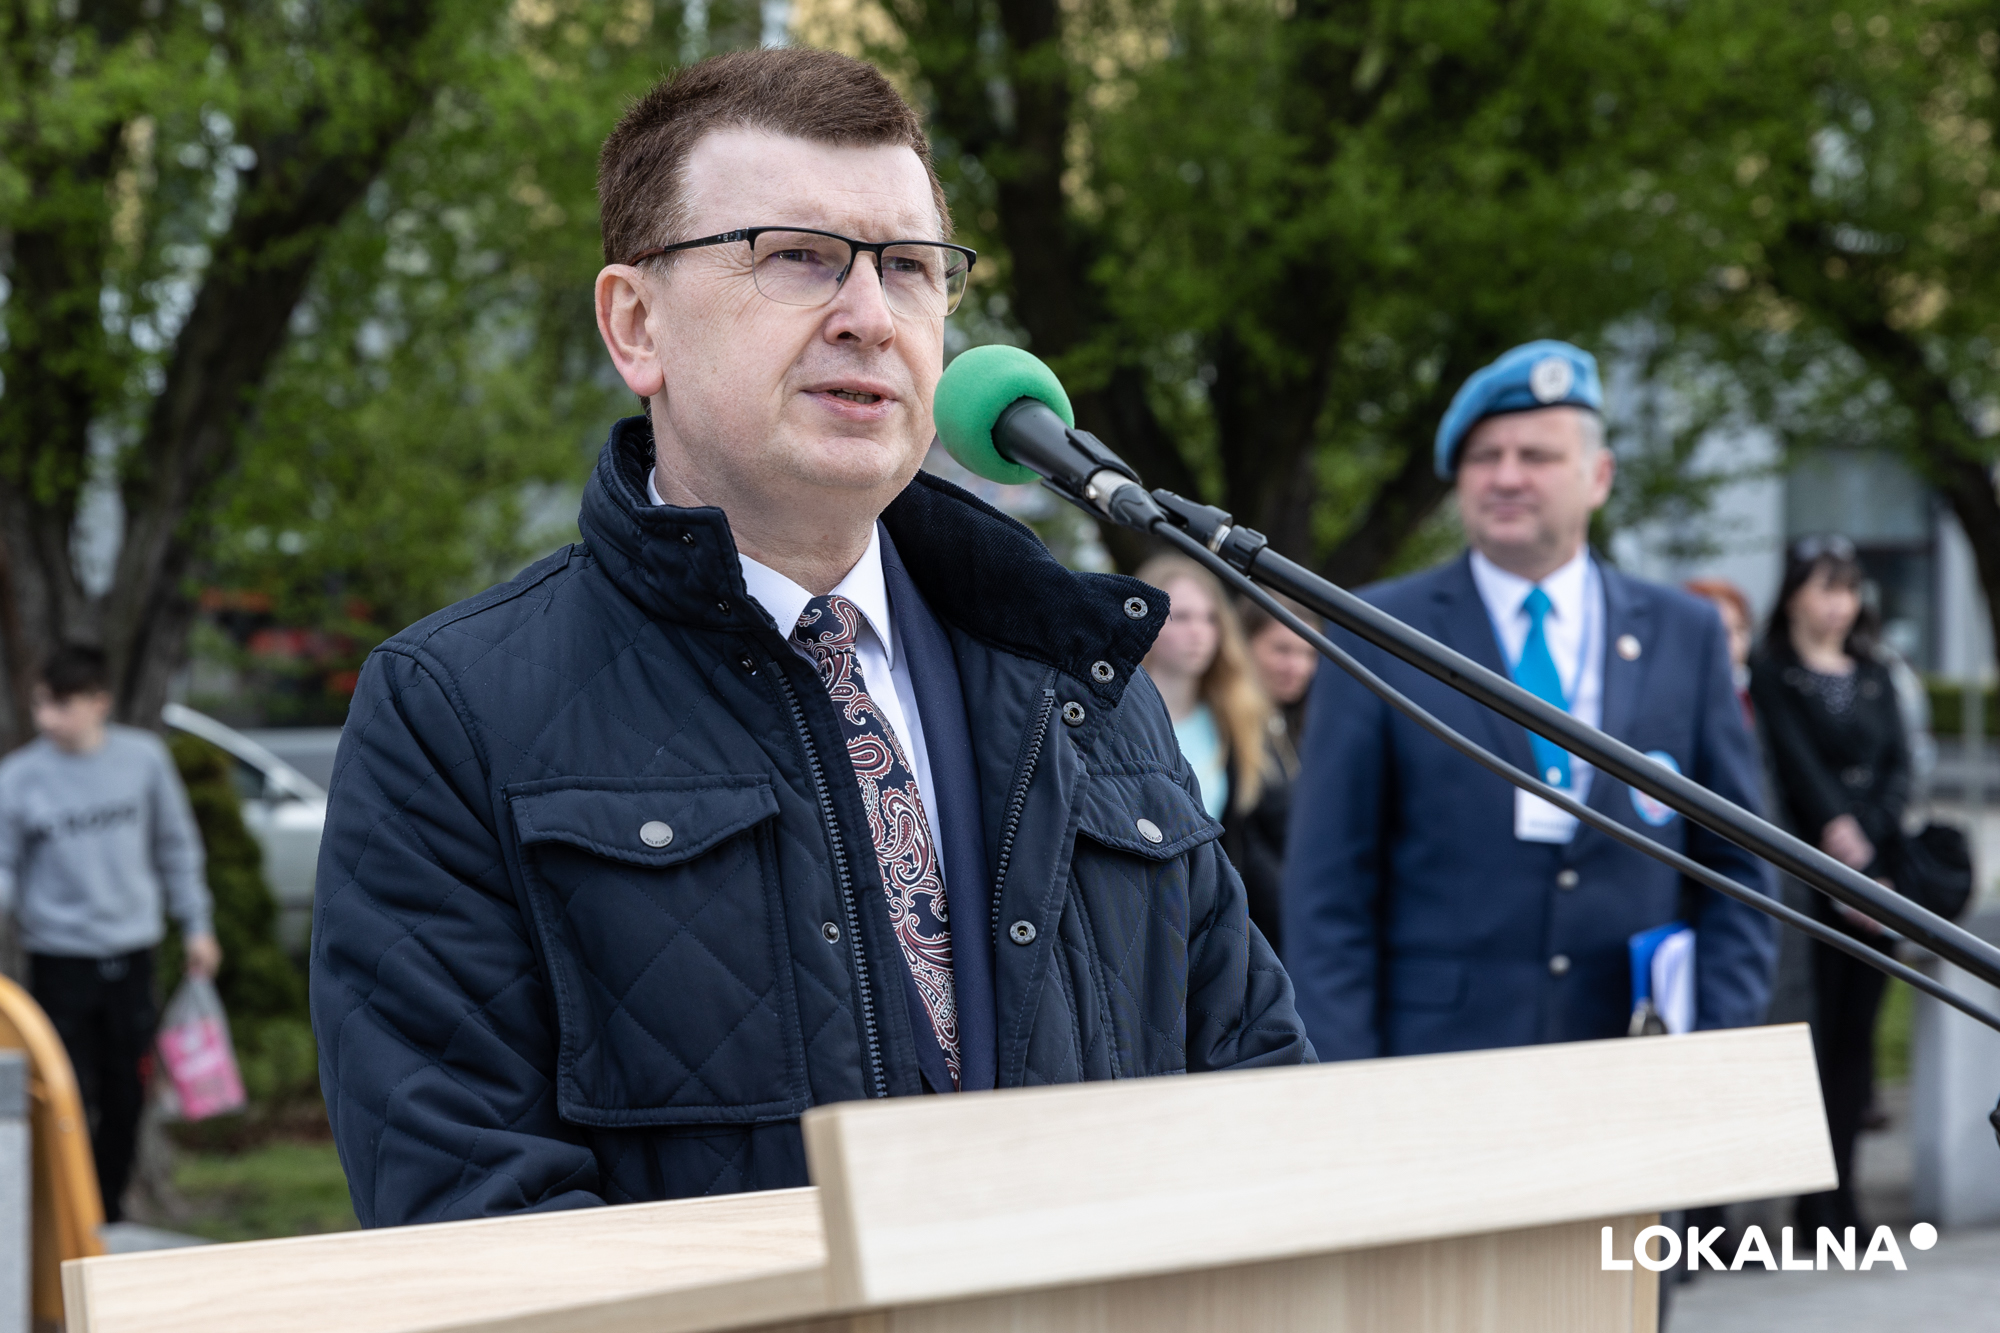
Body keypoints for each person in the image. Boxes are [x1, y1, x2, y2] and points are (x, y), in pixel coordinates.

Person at [311, 49, 1311, 1228]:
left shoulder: (1075, 681)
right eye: (797, 256)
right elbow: (474, 1212)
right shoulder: (454, 711)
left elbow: (1261, 1109)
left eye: (909, 267)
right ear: (635, 324)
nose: (870, 318)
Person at [1282, 340, 1776, 1059]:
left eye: (1536, 456)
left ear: (1598, 477)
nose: (1505, 477)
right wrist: (1348, 1077)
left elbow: (1739, 870)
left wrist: (1712, 1048)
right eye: (1484, 457)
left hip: (1635, 1061)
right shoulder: (1377, 630)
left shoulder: (1684, 633)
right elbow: (1328, 886)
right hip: (1438, 1062)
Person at [0, 645, 220, 1221]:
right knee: (64, 1093)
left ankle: (107, 1212)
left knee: (127, 1092)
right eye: (40, 704)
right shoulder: (19, 778)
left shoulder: (143, 760)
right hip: (59, 959)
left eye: (62, 704)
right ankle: (64, 1215)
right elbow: (4, 866)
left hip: (132, 954)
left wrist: (197, 925)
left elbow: (176, 848)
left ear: (99, 701)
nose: (48, 718)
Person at [1749, 535, 1908, 1235]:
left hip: (1877, 884)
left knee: (1854, 1042)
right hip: (1805, 882)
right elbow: (1793, 767)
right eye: (1824, 587)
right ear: (1793, 596)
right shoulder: (1771, 674)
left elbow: (1899, 766)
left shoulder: (1876, 673)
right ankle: (1805, 1195)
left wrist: (1867, 842)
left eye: (1848, 588)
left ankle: (1841, 1200)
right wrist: (1838, 835)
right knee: (1805, 1042)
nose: (1838, 604)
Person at [1134, 555, 1283, 947]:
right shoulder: (1110, 717)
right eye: (1181, 617)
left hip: (1207, 924)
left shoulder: (1239, 723)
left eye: (1210, 618)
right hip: (1131, 915)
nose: (1198, 632)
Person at [1685, 578, 1755, 730]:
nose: (1736, 644)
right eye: (1722, 633)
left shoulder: (1752, 695)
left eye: (1740, 629)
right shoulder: (1676, 706)